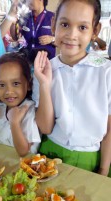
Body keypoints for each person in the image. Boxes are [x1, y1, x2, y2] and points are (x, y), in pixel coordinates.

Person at [33, 0, 111, 177]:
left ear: (95, 31)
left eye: (82, 27)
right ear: (53, 25)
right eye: (65, 24)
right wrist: (45, 84)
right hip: (49, 153)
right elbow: (45, 127)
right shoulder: (43, 69)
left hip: (90, 159)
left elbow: (109, 129)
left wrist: (104, 170)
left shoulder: (106, 72)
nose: (71, 34)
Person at [0, 52, 44, 156]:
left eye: (16, 83)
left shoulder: (29, 110)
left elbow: (23, 152)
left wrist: (14, 123)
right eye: (1, 85)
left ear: (28, 84)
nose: (8, 91)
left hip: (23, 167)